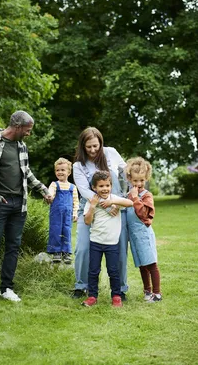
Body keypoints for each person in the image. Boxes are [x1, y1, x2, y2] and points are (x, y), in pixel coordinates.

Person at [0, 110, 52, 309]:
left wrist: (42, 189)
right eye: (27, 130)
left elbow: (27, 172)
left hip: (19, 204)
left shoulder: (22, 146)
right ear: (17, 126)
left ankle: (6, 288)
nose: (29, 134)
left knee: (13, 247)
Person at [72, 127, 129, 300]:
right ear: (83, 146)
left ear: (101, 143)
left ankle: (120, 289)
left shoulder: (111, 153)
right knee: (82, 248)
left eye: (95, 146)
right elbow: (85, 191)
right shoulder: (78, 165)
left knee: (119, 249)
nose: (92, 150)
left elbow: (126, 175)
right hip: (91, 208)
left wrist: (121, 199)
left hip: (116, 209)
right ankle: (81, 286)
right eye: (88, 147)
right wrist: (107, 205)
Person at [82, 171, 133, 307]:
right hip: (96, 242)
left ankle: (116, 296)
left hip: (112, 243)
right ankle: (92, 296)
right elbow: (87, 221)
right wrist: (92, 206)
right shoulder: (92, 201)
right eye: (101, 186)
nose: (104, 189)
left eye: (107, 185)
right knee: (93, 270)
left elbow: (129, 202)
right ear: (94, 188)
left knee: (113, 271)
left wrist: (113, 202)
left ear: (111, 185)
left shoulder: (114, 199)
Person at [125, 157, 162, 303]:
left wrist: (135, 199)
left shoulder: (146, 195)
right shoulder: (129, 195)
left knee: (151, 263)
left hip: (144, 234)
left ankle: (157, 293)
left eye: (141, 180)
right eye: (135, 181)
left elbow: (143, 214)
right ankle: (147, 291)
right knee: (142, 264)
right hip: (134, 236)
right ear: (129, 179)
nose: (139, 184)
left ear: (146, 178)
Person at [46, 158, 79, 264]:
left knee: (67, 230)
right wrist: (49, 196)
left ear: (69, 172)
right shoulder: (54, 184)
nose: (60, 172)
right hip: (56, 213)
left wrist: (75, 213)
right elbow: (51, 193)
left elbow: (76, 201)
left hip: (67, 213)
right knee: (55, 230)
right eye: (57, 170)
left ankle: (66, 252)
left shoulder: (72, 187)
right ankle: (56, 251)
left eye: (63, 170)